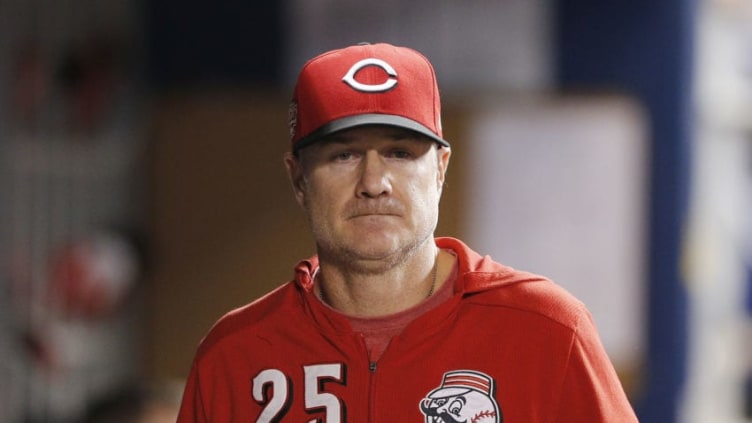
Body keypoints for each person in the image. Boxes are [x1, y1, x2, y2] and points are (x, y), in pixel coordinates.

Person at [177, 42, 638, 422]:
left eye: (399, 153)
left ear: (440, 169)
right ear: (298, 178)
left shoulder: (548, 332)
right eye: (344, 155)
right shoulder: (233, 356)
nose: (374, 184)